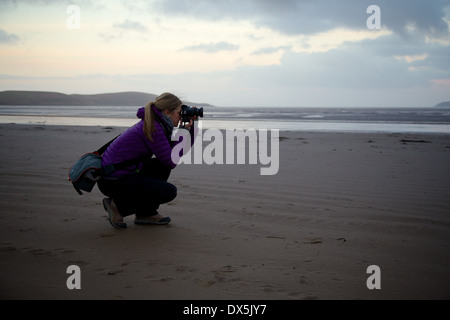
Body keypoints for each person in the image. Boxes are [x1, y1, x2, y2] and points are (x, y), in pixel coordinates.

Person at [98, 92, 196, 229]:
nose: (180, 116)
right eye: (179, 112)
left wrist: (189, 130)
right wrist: (183, 132)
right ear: (167, 112)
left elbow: (172, 154)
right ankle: (117, 207)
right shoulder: (155, 128)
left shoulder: (156, 123)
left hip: (119, 173)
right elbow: (171, 160)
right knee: (168, 191)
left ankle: (145, 214)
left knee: (161, 166)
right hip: (113, 180)